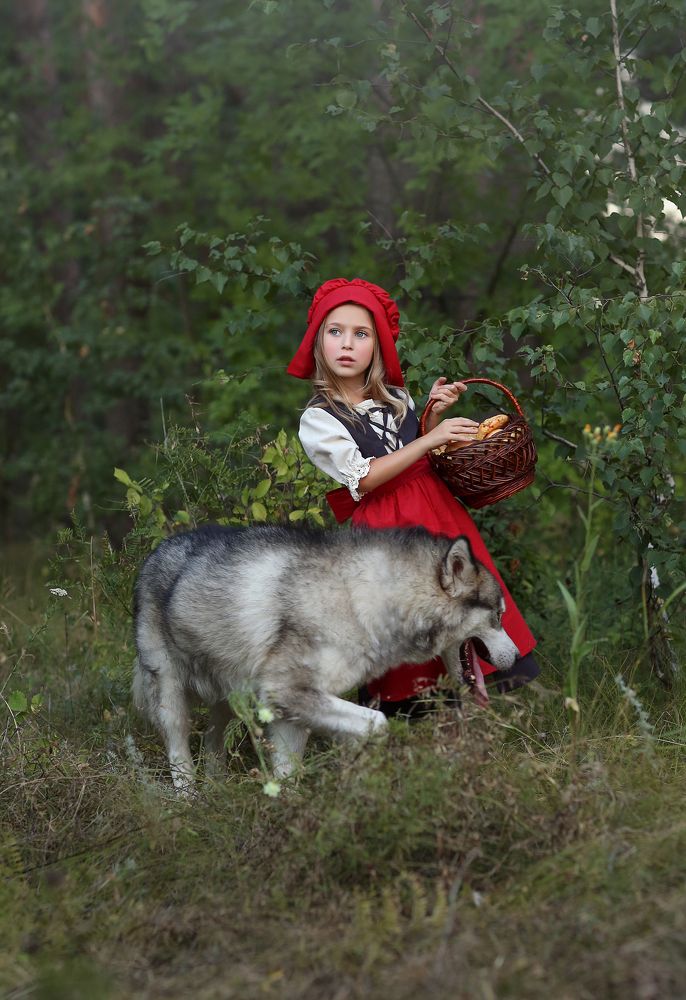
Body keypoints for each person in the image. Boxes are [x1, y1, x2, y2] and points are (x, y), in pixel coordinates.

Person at [287, 277, 539, 716]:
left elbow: (409, 447)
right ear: (318, 343)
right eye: (336, 332)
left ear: (378, 346)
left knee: (462, 602)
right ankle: (415, 721)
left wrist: (433, 414)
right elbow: (365, 479)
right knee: (408, 616)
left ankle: (473, 709)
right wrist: (429, 440)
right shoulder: (320, 419)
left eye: (361, 334)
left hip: (438, 514)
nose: (347, 344)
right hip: (387, 532)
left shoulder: (396, 398)